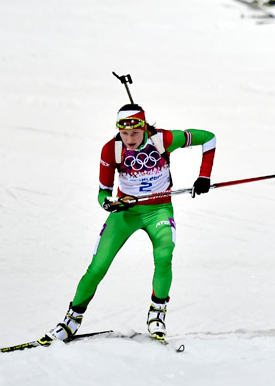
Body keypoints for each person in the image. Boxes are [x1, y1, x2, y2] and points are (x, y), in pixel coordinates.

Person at [44, 103, 216, 344]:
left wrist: (204, 176)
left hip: (158, 210)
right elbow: (103, 193)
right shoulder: (111, 150)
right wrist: (109, 204)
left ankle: (157, 314)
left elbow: (208, 138)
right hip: (125, 214)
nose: (130, 139)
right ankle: (71, 320)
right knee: (97, 267)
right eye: (124, 133)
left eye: (135, 132)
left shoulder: (164, 139)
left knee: (164, 255)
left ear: (144, 127)